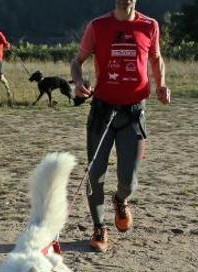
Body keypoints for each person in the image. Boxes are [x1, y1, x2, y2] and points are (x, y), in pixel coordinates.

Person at [70, 0, 170, 252]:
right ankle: (99, 227)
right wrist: (79, 82)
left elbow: (156, 58)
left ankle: (120, 200)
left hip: (134, 113)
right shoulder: (98, 26)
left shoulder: (150, 25)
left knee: (129, 179)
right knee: (95, 174)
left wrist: (161, 86)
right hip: (102, 112)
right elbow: (77, 61)